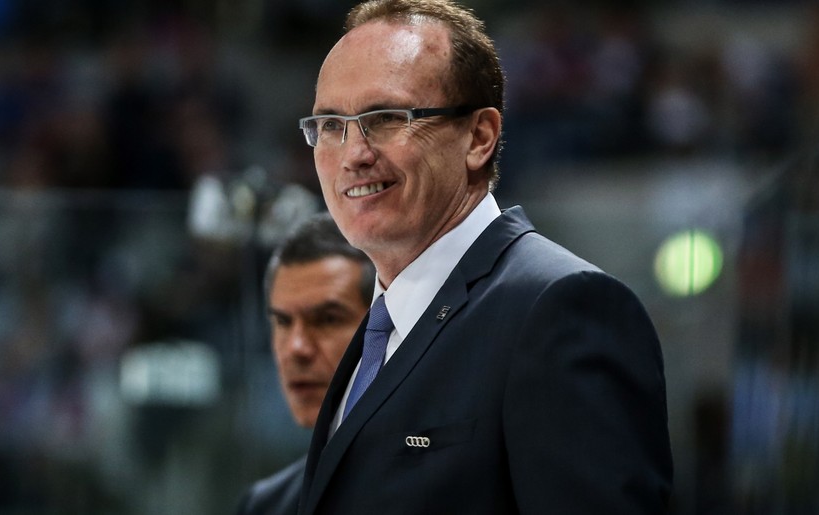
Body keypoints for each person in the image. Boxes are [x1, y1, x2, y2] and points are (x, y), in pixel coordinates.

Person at [295, 0, 675, 513]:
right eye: (331, 124)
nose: (353, 153)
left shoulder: (562, 309)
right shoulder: (383, 326)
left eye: (386, 118)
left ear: (479, 137)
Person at [235, 213, 374, 515]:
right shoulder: (264, 506)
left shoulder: (440, 490)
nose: (296, 348)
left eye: (327, 319)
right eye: (282, 321)